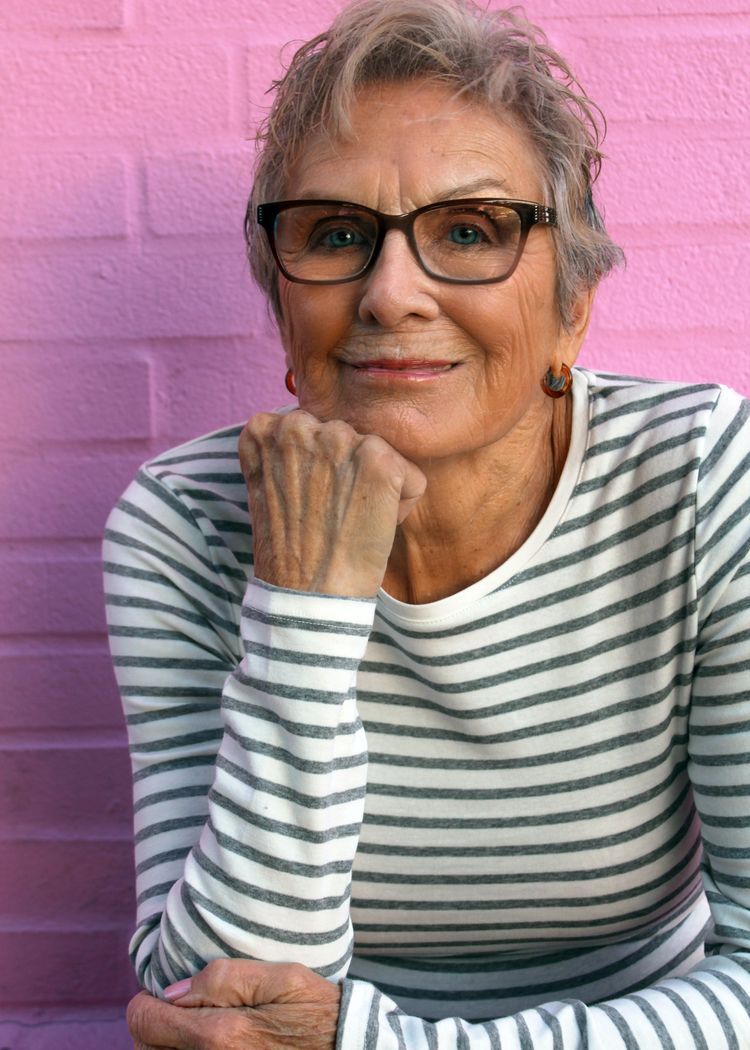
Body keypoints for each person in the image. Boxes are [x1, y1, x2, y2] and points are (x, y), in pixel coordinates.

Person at [104, 0, 750, 1047]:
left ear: (573, 303)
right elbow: (220, 1004)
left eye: (468, 231)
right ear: (282, 303)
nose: (391, 293)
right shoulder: (182, 526)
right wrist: (304, 606)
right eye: (337, 235)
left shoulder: (702, 480)